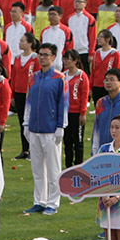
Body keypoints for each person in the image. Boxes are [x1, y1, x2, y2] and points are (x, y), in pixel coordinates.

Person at [23, 42, 68, 215]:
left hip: (51, 129)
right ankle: (39, 201)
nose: (42, 57)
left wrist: (61, 126)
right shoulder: (33, 77)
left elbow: (63, 103)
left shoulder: (59, 78)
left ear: (53, 57)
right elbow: (28, 101)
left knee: (53, 169)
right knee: (37, 169)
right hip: (34, 128)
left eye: (46, 55)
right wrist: (26, 123)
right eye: (40, 54)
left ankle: (53, 202)